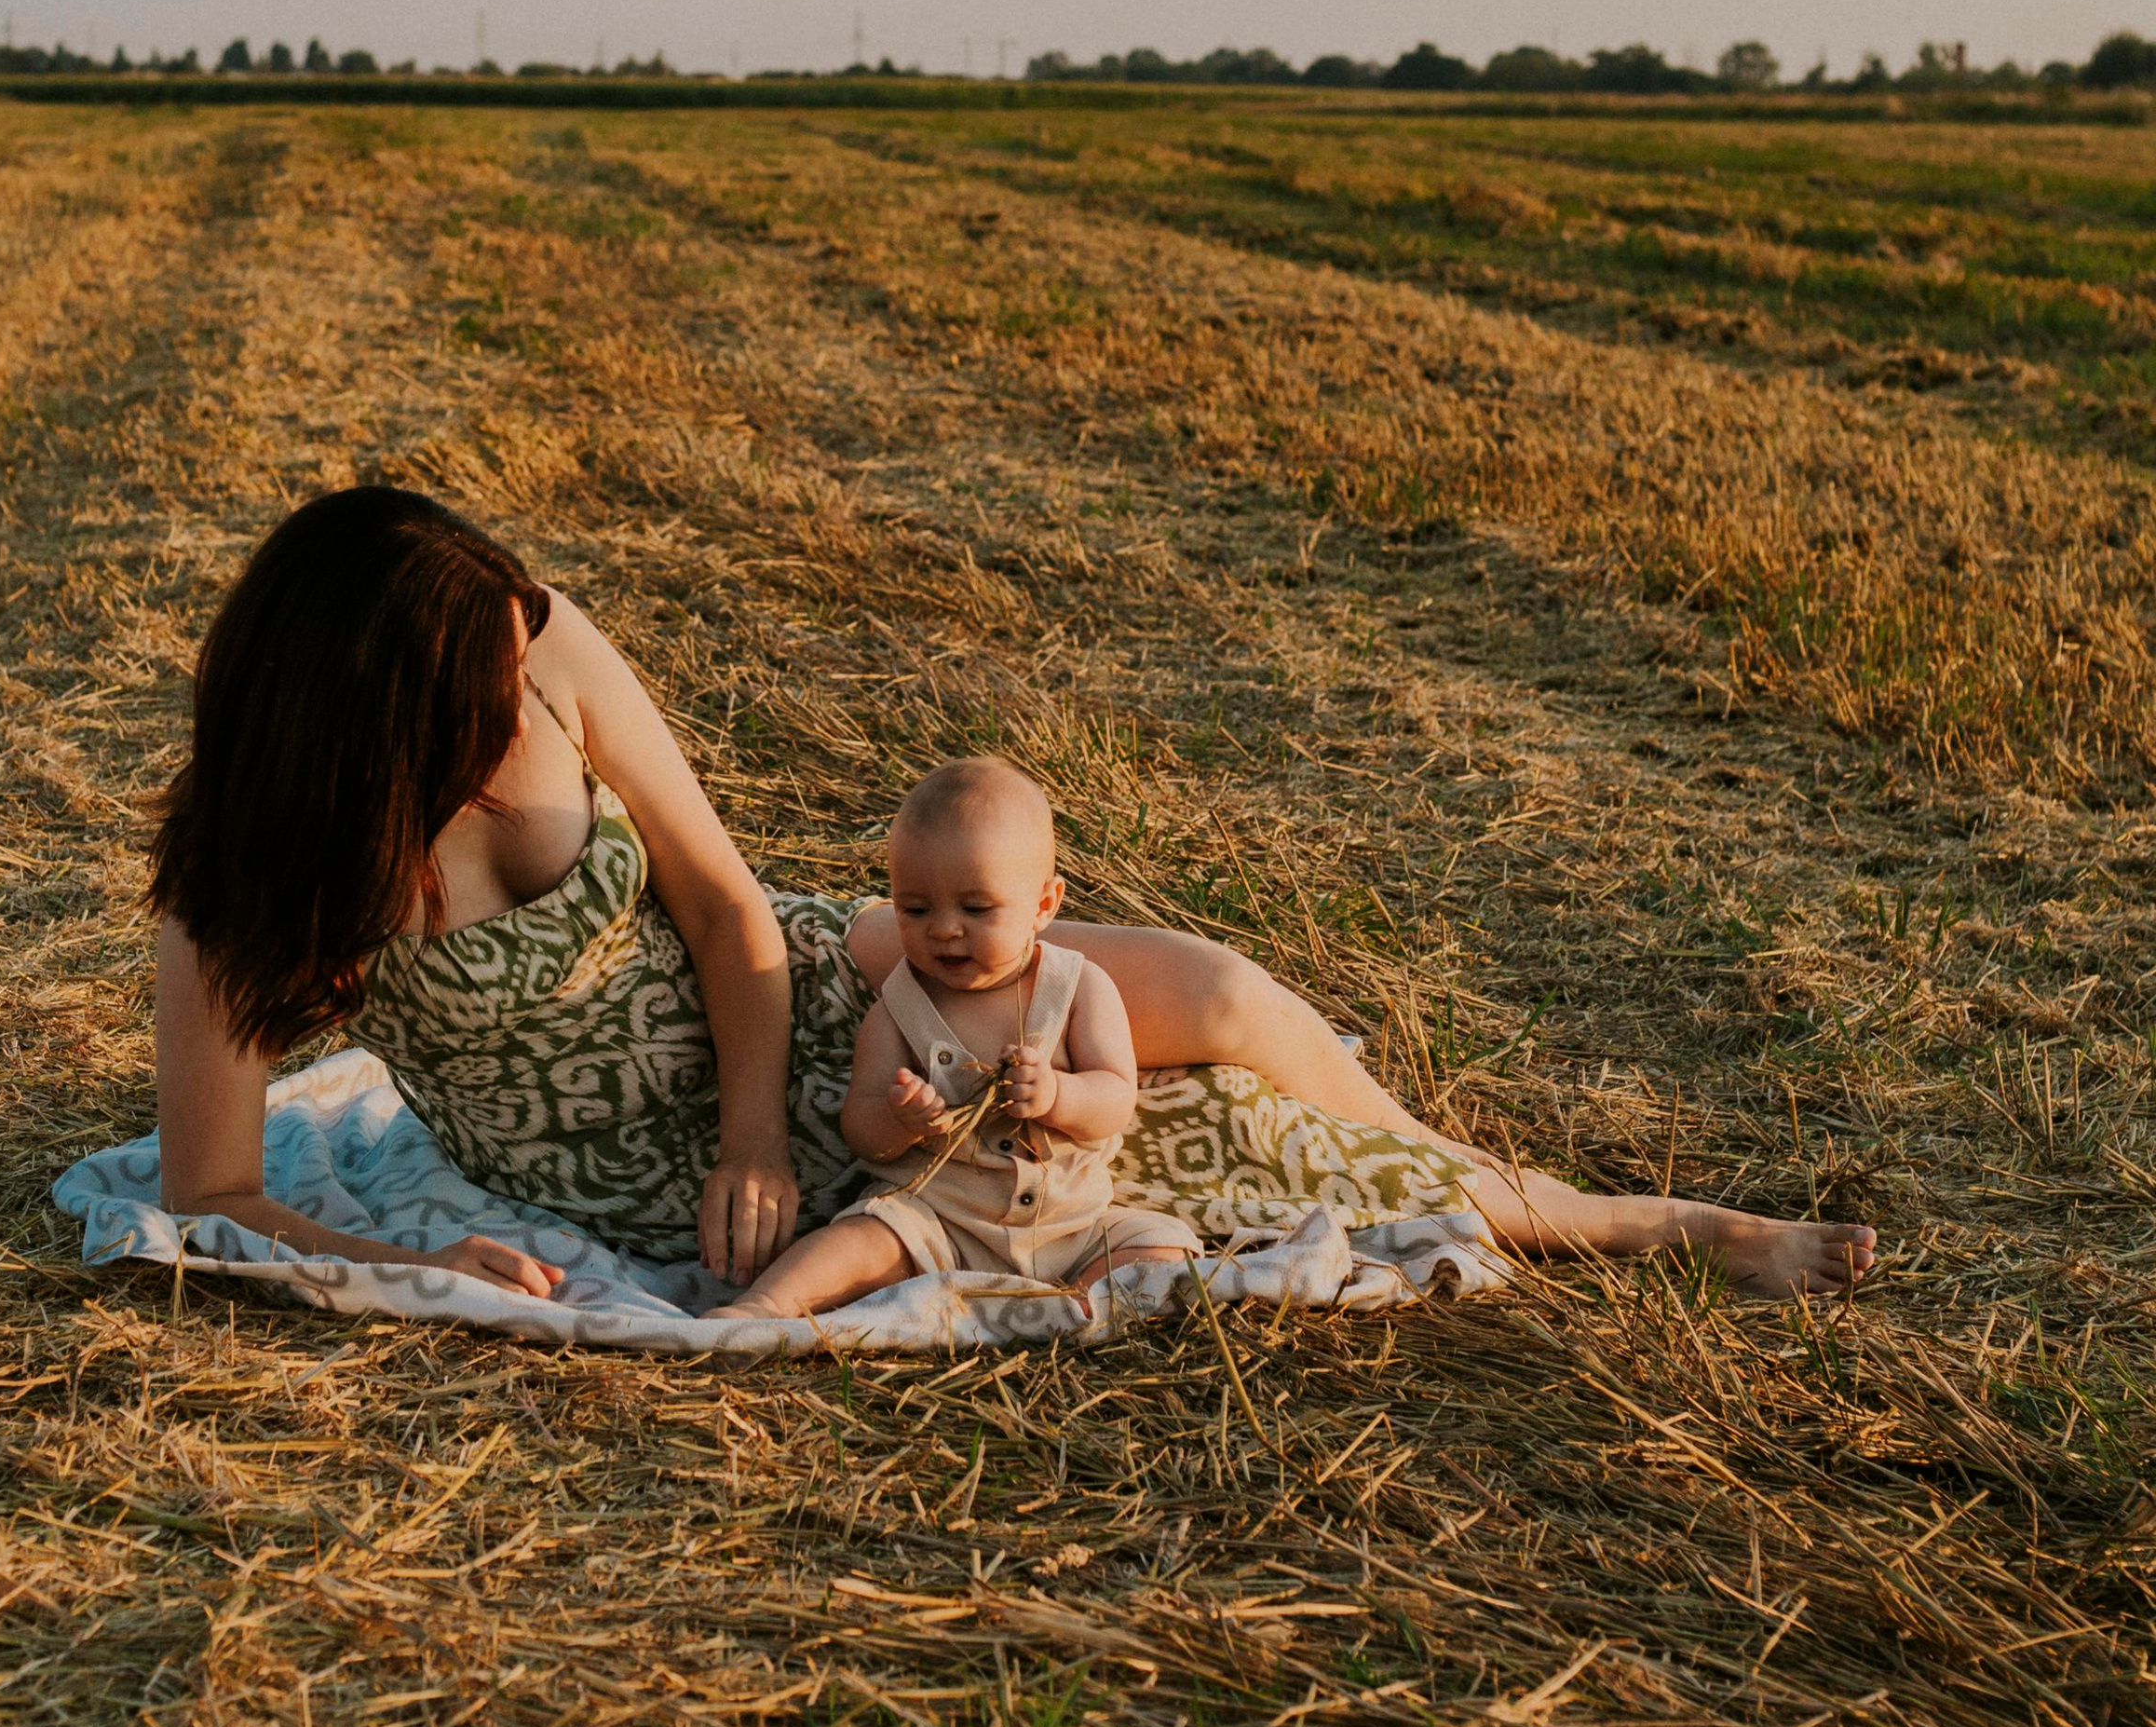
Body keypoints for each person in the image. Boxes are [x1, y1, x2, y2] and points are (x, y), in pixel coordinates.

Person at [150, 487, 1878, 1300]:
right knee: (1195, 1137)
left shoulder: (532, 641)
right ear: (369, 727)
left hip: (797, 1008)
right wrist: (421, 1258)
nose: (517, 693)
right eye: (475, 699)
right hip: (638, 1171)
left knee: (1221, 997)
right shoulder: (247, 875)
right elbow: (214, 1188)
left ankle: (1513, 1190)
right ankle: (1646, 1229)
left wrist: (759, 1136)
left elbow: (730, 912)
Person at [726, 757, 1203, 1318]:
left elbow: (1117, 1097)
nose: (944, 928)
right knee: (862, 1237)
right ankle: (764, 1308)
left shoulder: (1078, 988)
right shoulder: (899, 1009)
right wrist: (901, 1121)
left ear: (1043, 906)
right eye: (915, 908)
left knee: (1163, 1245)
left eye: (975, 908)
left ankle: (1076, 1306)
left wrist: (1058, 1094)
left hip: (1072, 1226)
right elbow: (861, 1128)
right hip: (938, 1223)